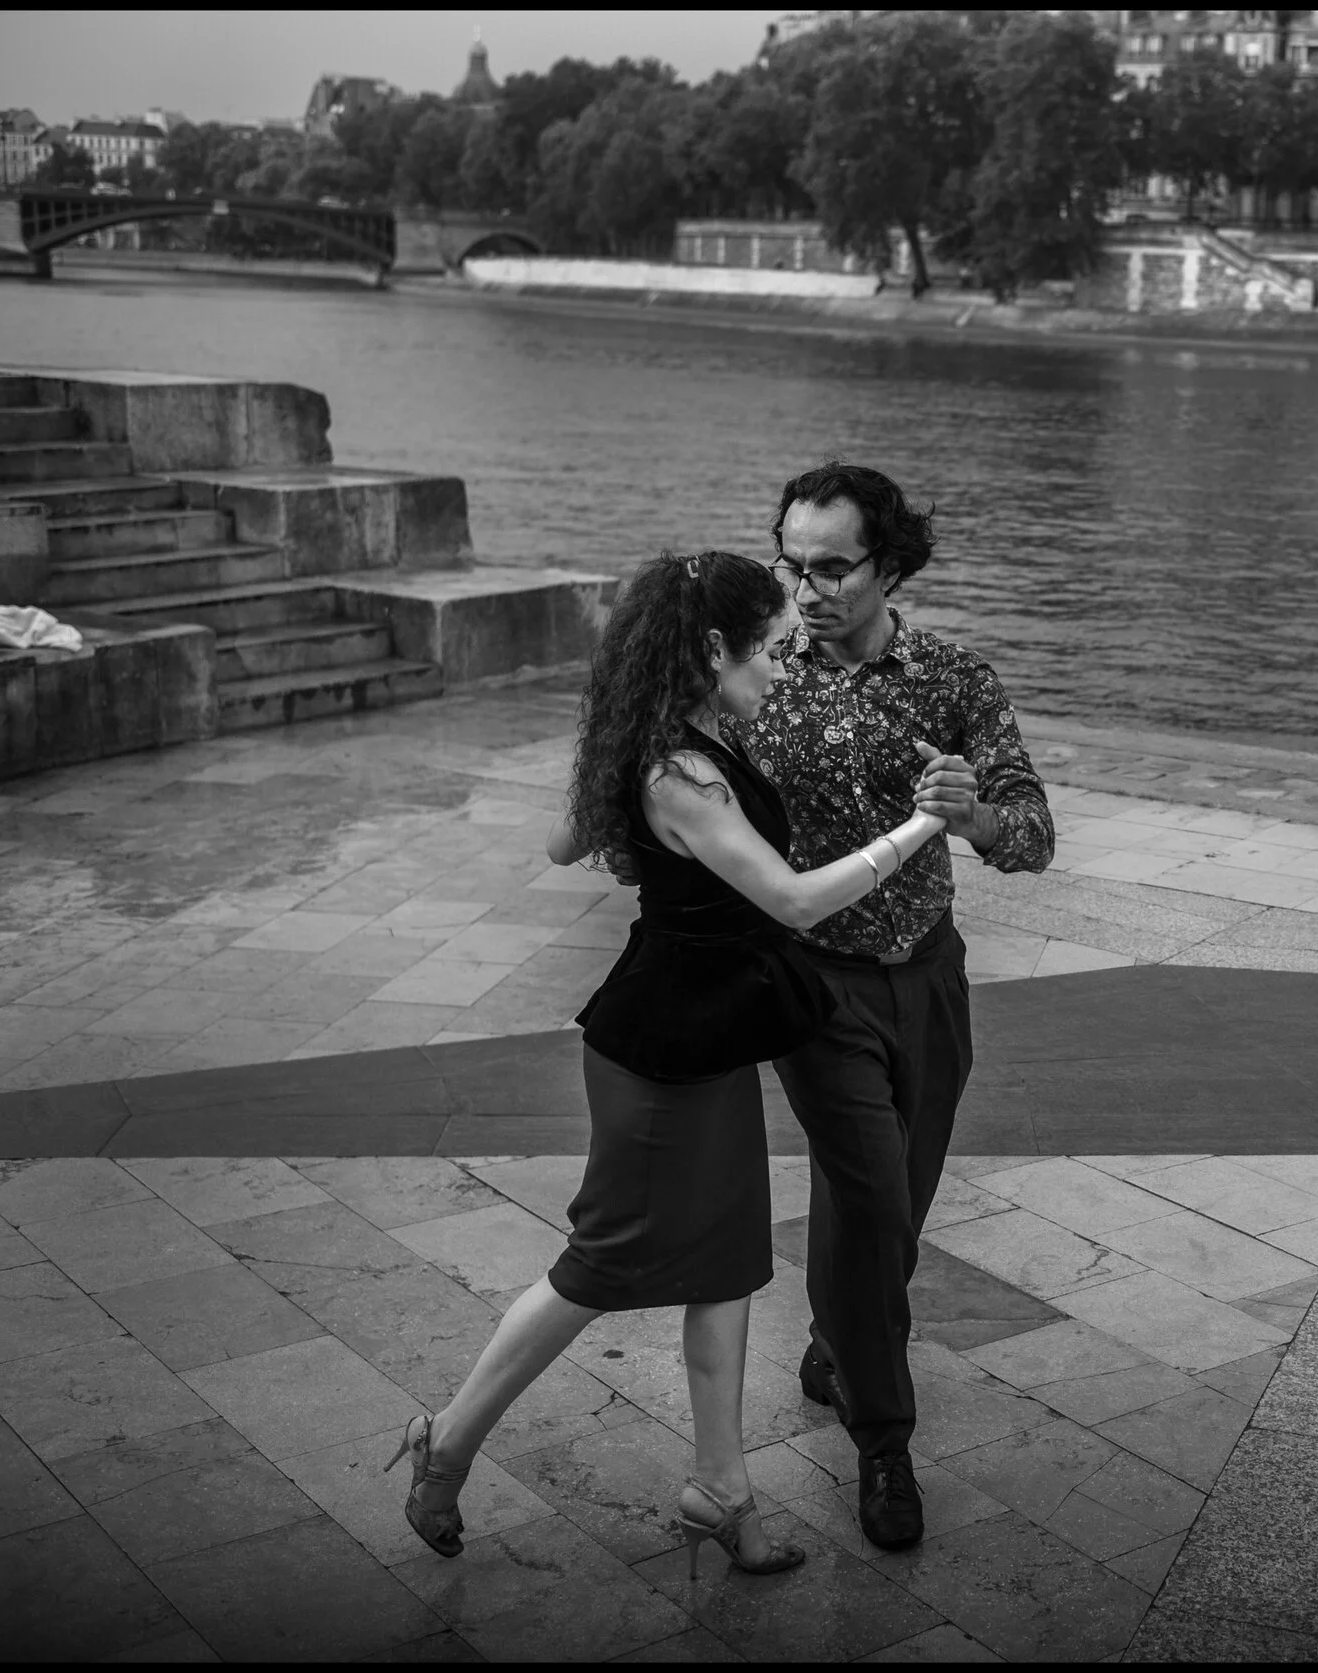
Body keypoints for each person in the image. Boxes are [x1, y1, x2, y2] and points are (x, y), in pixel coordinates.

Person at [388, 551, 950, 1581]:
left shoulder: (664, 743)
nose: (780, 666)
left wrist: (628, 784)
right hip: (658, 1061)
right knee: (601, 1264)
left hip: (707, 1039)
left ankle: (722, 1487)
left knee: (731, 1261)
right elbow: (790, 900)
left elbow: (565, 844)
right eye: (763, 647)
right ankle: (449, 1439)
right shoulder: (675, 770)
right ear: (708, 651)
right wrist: (921, 825)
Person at [735, 462, 1056, 1551]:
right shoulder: (753, 678)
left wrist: (972, 814)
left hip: (927, 972)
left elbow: (1033, 835)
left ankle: (838, 1335)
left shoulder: (954, 679)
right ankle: (883, 1441)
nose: (807, 587)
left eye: (833, 566)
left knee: (899, 1197)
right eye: (792, 563)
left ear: (891, 563)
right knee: (869, 1192)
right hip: (811, 984)